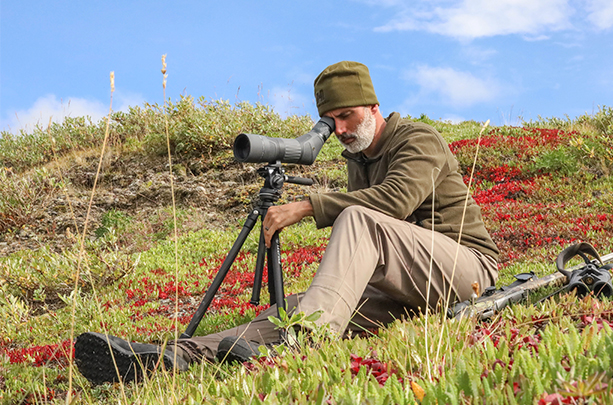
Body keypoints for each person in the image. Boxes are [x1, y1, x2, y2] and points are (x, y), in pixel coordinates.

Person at [74, 61, 499, 385]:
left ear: (374, 107)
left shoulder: (417, 139)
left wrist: (308, 206)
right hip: (406, 291)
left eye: (349, 116)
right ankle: (178, 356)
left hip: (467, 273)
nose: (343, 129)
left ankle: (306, 347)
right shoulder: (360, 158)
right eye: (333, 122)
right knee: (293, 308)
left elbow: (394, 203)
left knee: (357, 220)